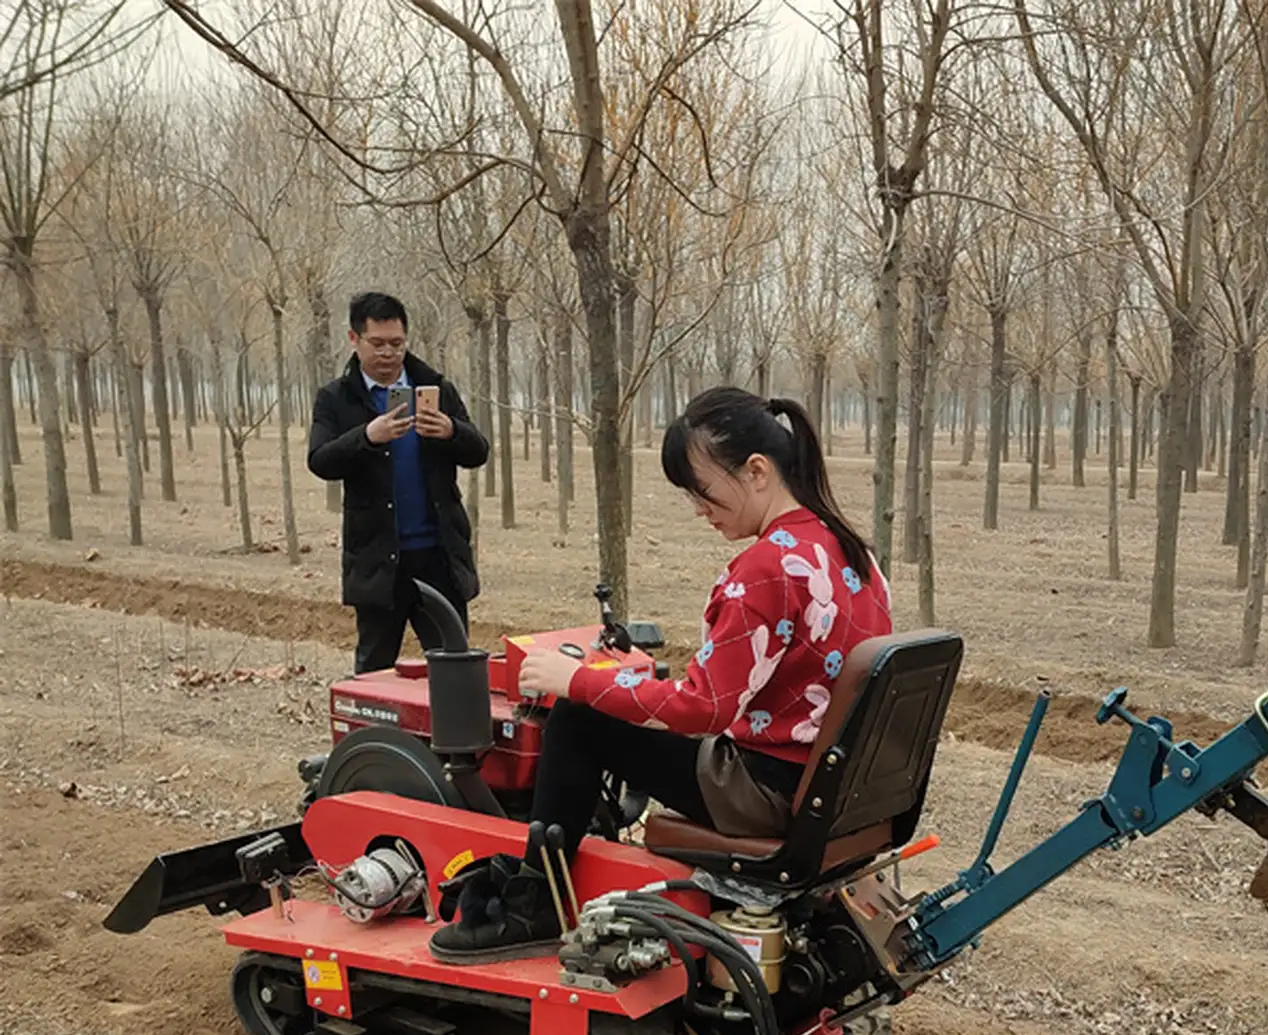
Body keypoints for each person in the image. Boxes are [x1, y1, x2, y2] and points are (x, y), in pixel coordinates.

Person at [430, 386, 893, 962]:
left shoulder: (766, 569)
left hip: (765, 789)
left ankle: (535, 902)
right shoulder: (850, 551)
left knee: (579, 721)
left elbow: (705, 708)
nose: (699, 509)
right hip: (836, 786)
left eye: (701, 491)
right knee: (622, 714)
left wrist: (574, 681)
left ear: (756, 471)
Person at [309, 291, 490, 673]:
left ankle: (447, 734)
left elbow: (479, 452)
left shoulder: (436, 388)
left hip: (439, 556)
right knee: (374, 669)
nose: (388, 353)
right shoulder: (336, 399)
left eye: (397, 343)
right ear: (354, 339)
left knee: (453, 666)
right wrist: (367, 436)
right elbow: (320, 460)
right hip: (378, 560)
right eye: (377, 344)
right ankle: (375, 735)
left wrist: (451, 430)